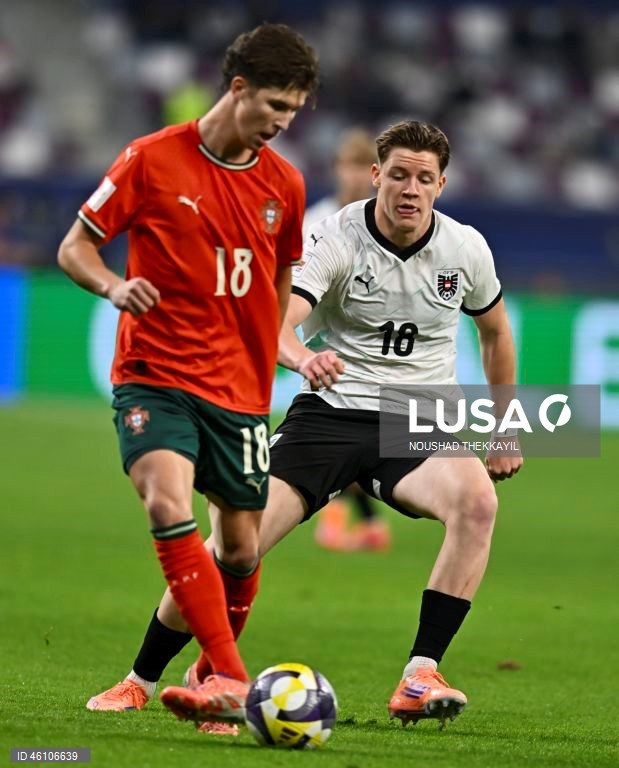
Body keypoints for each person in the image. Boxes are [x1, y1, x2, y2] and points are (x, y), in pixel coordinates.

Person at [86, 119, 522, 732]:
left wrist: (504, 429)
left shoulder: (465, 248)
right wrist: (302, 356)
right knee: (236, 548)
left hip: (418, 421)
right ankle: (140, 680)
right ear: (376, 176)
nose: (410, 189)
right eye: (398, 174)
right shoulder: (336, 236)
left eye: (425, 179)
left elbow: (496, 331)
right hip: (331, 416)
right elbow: (279, 321)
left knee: (477, 504)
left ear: (441, 185)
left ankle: (421, 673)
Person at [57, 22, 319, 731]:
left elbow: (279, 277)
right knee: (164, 500)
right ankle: (233, 674)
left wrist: (279, 354)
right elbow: (75, 246)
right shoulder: (150, 159)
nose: (281, 123)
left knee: (240, 545)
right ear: (236, 89)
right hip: (155, 374)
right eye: (273, 106)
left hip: (237, 392)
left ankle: (202, 681)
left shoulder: (283, 184)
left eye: (292, 112)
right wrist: (113, 288)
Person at [303, 127, 392, 553]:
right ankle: (363, 523)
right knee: (346, 433)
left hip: (371, 347)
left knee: (355, 436)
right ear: (338, 169)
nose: (356, 176)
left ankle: (349, 521)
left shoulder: (387, 222)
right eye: (349, 165)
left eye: (363, 167)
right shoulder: (315, 222)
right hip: (320, 345)